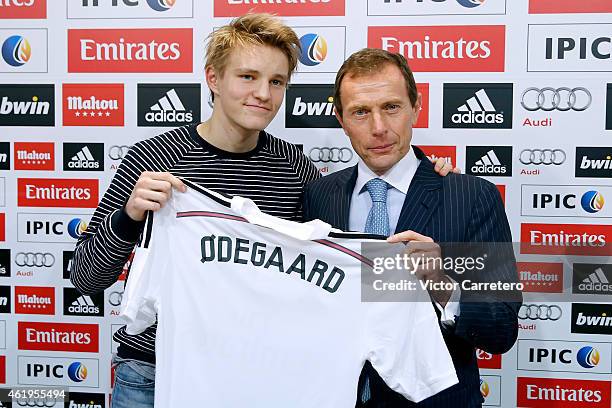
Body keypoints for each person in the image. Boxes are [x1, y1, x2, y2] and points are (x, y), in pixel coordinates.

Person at [70, 15, 455, 408]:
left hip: (256, 375)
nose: (263, 94)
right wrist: (128, 217)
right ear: (214, 79)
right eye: (247, 77)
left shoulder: (295, 169)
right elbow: (85, 278)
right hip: (155, 374)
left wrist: (424, 174)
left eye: (276, 82)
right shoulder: (155, 159)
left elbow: (339, 269)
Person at [302, 48, 521, 408]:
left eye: (391, 107)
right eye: (360, 112)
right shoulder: (319, 195)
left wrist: (442, 286)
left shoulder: (470, 196)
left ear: (416, 107)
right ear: (341, 119)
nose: (378, 128)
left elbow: (502, 330)